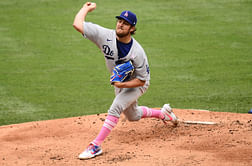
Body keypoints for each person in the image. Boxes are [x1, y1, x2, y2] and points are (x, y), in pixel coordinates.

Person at [73, 2, 179, 160]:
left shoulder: (137, 52)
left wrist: (122, 85)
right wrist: (86, 8)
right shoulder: (104, 35)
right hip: (121, 82)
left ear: (132, 29)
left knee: (115, 108)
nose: (121, 24)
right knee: (133, 116)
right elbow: (77, 24)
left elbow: (142, 80)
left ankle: (95, 146)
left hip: (137, 83)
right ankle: (162, 114)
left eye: (126, 23)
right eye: (120, 21)